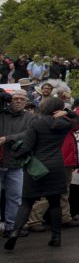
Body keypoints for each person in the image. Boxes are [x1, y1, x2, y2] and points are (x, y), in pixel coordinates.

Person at [1, 97, 77, 249]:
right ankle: (56, 237)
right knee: (55, 204)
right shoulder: (65, 123)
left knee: (26, 202)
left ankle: (15, 233)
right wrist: (66, 112)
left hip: (36, 167)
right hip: (56, 167)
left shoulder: (36, 123)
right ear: (58, 109)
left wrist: (15, 154)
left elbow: (27, 147)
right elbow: (77, 117)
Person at [0, 88, 33, 238]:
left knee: (15, 197)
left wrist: (8, 138)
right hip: (0, 161)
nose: (18, 101)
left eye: (22, 99)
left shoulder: (30, 117)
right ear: (9, 100)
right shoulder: (2, 114)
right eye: (15, 98)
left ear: (26, 102)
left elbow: (29, 133)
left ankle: (11, 226)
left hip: (16, 163)